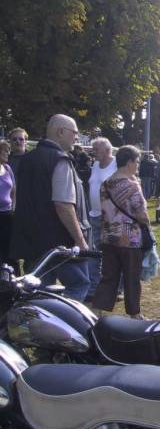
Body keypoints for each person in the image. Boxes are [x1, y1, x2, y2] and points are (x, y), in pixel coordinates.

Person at [11, 114, 92, 301]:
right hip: (58, 243)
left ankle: (39, 326)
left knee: (39, 292)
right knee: (80, 283)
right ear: (60, 132)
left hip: (32, 241)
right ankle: (61, 324)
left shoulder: (27, 159)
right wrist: (80, 240)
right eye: (75, 132)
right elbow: (63, 204)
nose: (77, 137)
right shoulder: (60, 159)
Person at [92, 146, 150, 319]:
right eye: (137, 161)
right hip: (129, 239)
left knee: (109, 276)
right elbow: (141, 213)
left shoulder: (106, 183)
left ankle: (97, 311)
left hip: (108, 237)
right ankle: (135, 314)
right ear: (129, 162)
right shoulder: (132, 185)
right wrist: (146, 223)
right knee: (131, 277)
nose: (138, 165)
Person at [87, 137, 117, 301]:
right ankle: (93, 288)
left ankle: (115, 288)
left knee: (112, 253)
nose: (93, 152)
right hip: (94, 215)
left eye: (96, 149)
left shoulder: (116, 164)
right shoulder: (95, 165)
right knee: (94, 253)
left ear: (107, 150)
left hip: (111, 217)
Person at [0, 140, 16, 269]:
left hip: (7, 215)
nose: (8, 153)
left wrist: (13, 208)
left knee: (9, 252)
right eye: (5, 150)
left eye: (8, 150)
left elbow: (13, 190)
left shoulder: (7, 168)